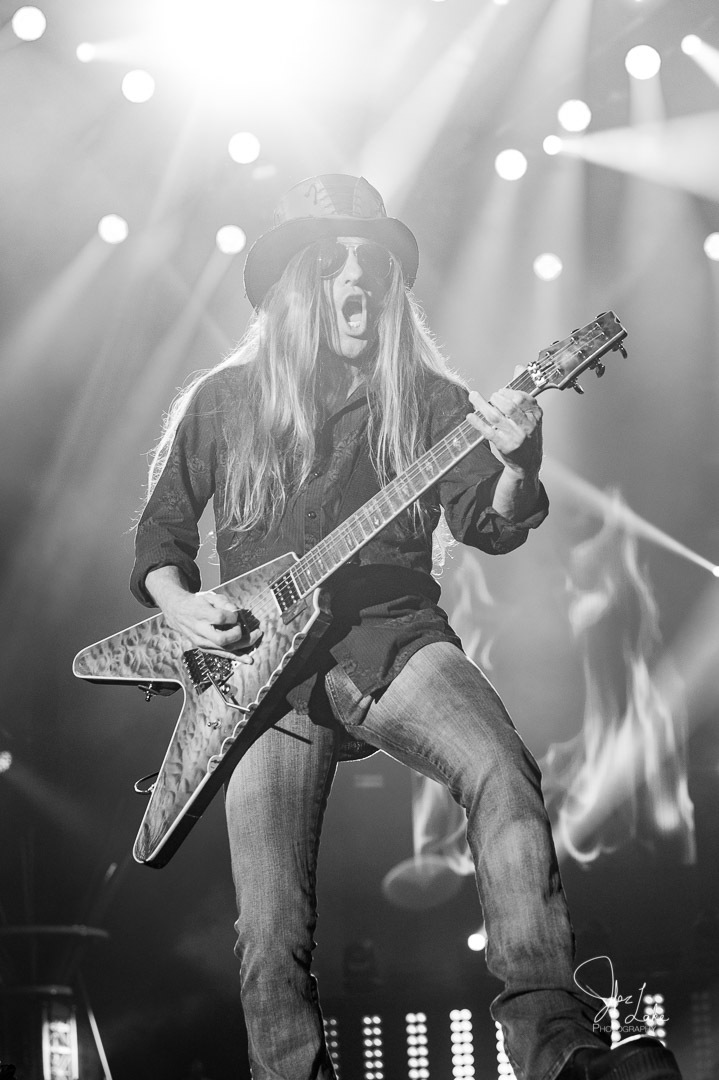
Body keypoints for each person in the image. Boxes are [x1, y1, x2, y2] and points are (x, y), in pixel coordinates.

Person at [130, 175, 681, 1080]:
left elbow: (491, 524)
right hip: (258, 682)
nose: (358, 279)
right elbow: (162, 539)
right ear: (298, 283)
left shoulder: (430, 401)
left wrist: (520, 464)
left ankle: (553, 1048)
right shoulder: (224, 401)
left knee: (501, 770)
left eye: (373, 264)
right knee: (269, 924)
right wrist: (181, 604)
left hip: (392, 636)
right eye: (334, 262)